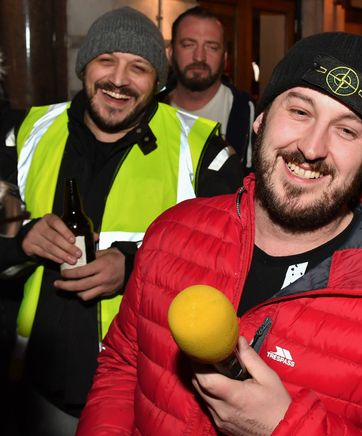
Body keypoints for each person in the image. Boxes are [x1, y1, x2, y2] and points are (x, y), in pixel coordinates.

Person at [78, 32, 362, 435]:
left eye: (346, 130)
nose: (311, 148)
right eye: (300, 111)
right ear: (260, 121)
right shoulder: (172, 231)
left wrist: (285, 428)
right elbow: (123, 366)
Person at [0, 7, 243, 436]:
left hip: (141, 394)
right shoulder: (30, 129)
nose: (118, 79)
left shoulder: (202, 147)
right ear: (84, 67)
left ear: (159, 79)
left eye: (139, 67)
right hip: (34, 391)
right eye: (106, 60)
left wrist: (134, 267)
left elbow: (233, 260)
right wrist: (22, 238)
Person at [160, 6, 256, 169]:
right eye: (188, 44)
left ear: (224, 57)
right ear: (170, 53)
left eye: (211, 47)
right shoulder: (149, 110)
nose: (199, 56)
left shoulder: (247, 111)